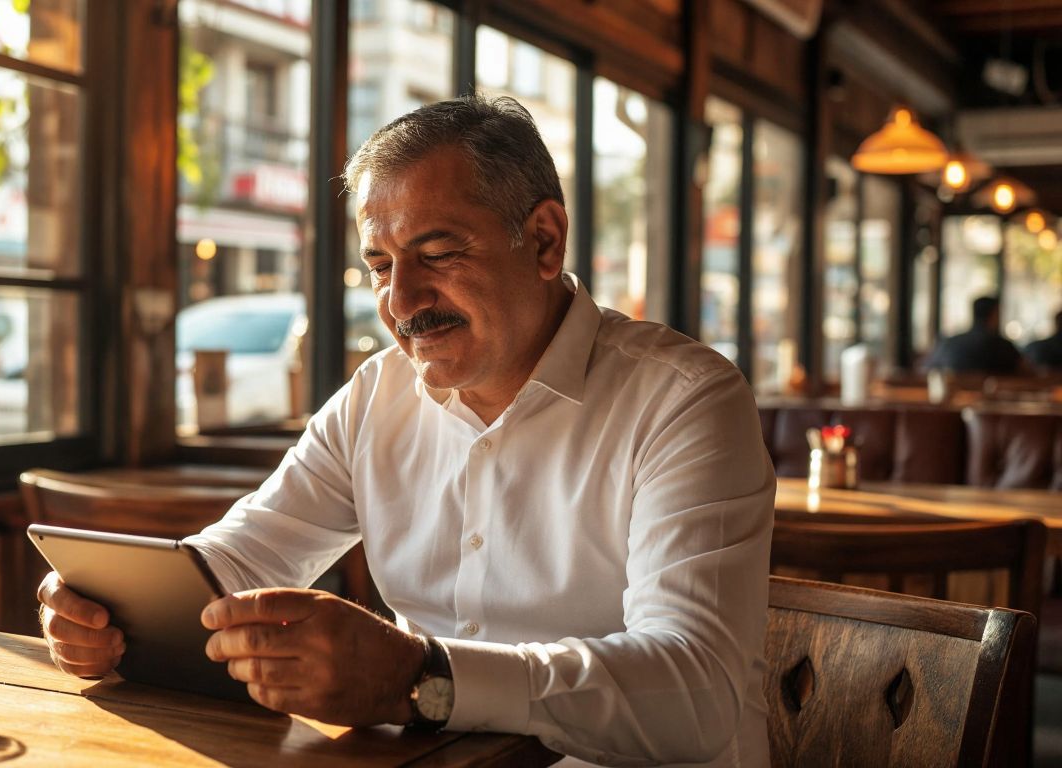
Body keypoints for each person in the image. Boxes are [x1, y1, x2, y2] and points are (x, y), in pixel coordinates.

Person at [38, 95, 774, 766]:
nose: (402, 301)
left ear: (545, 241)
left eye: (438, 252)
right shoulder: (375, 395)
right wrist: (114, 611)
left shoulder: (685, 399)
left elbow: (694, 689)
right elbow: (244, 556)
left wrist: (423, 680)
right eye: (380, 265)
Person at [923, 296, 1023, 375]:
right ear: (994, 314)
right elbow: (1030, 373)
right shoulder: (1003, 346)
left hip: (954, 398)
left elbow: (927, 369)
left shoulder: (949, 343)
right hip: (995, 399)